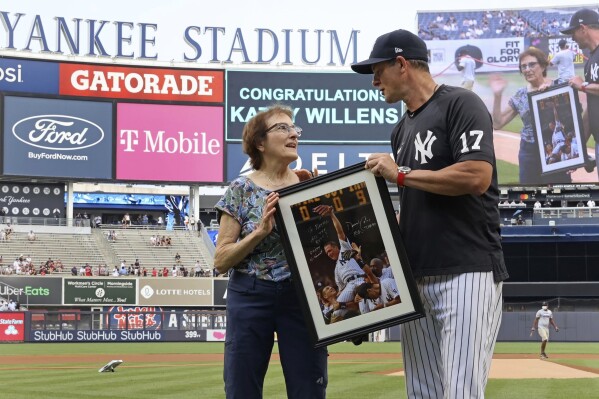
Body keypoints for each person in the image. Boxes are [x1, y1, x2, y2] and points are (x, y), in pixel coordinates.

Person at [351, 29, 508, 398]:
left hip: (466, 270)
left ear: (401, 64)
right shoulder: (400, 130)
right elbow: (414, 207)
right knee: (422, 392)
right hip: (417, 277)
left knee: (461, 391)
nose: (374, 81)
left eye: (378, 70)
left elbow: (477, 176)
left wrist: (400, 173)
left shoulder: (460, 104)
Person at [213, 105, 327, 399]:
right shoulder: (241, 188)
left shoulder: (309, 184)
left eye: (294, 128)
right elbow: (221, 260)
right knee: (242, 389)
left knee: (309, 389)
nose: (293, 134)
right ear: (260, 143)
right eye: (282, 128)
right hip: (250, 294)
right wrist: (259, 232)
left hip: (301, 298)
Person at [490, 47, 571, 184]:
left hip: (554, 146)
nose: (527, 69)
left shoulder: (560, 86)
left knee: (559, 193)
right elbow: (497, 123)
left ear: (543, 65)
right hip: (529, 151)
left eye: (532, 64)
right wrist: (497, 95)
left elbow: (571, 119)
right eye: (523, 66)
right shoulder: (520, 95)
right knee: (530, 195)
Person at [562, 8, 599, 178]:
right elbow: (591, 110)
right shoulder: (590, 61)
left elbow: (585, 88)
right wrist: (577, 152)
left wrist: (583, 86)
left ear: (583, 28)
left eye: (573, 32)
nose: (571, 38)